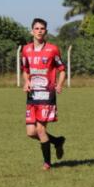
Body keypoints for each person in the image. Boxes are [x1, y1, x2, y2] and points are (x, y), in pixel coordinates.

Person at [22, 18, 66, 170]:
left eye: (42, 28)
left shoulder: (53, 49)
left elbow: (62, 70)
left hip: (47, 94)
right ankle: (57, 141)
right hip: (32, 95)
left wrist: (59, 84)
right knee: (31, 132)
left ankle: (47, 162)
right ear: (32, 31)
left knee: (40, 129)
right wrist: (26, 82)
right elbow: (25, 70)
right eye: (36, 28)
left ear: (46, 31)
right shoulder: (26, 50)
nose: (39, 31)